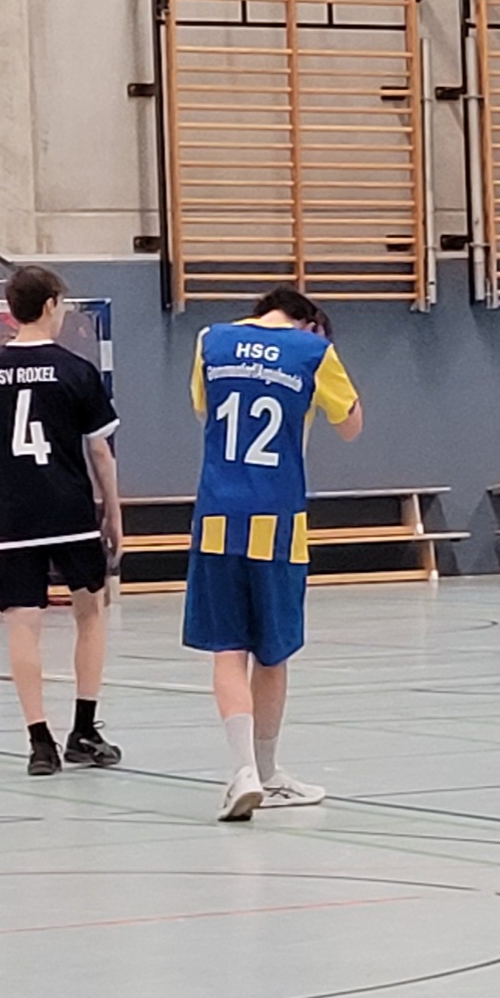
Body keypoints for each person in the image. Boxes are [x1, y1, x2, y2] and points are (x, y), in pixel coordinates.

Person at [0, 267, 127, 777]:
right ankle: (84, 730)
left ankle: (39, 742)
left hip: (16, 517)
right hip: (71, 513)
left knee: (22, 626)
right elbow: (100, 451)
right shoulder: (75, 370)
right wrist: (113, 513)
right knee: (90, 614)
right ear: (50, 304)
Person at [191, 288, 362, 821]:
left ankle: (243, 771)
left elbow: (204, 411)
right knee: (273, 650)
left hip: (217, 514)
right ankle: (267, 772)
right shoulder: (313, 351)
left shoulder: (211, 341)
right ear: (307, 322)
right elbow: (351, 425)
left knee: (227, 649)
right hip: (279, 518)